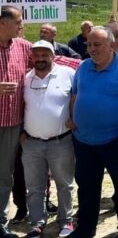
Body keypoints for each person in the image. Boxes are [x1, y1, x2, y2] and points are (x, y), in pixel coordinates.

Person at [68, 26, 118, 238]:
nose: (91, 49)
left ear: (112, 45)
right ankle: (85, 228)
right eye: (88, 44)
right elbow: (75, 94)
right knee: (87, 187)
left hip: (115, 140)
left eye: (97, 44)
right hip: (83, 141)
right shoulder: (83, 67)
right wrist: (72, 118)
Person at [20, 41, 76, 238]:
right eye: (37, 55)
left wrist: (74, 117)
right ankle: (37, 223)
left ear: (53, 55)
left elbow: (77, 96)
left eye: (45, 54)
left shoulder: (68, 73)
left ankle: (66, 221)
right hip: (32, 143)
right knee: (34, 187)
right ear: (32, 57)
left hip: (61, 141)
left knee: (64, 184)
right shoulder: (26, 78)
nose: (41, 58)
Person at [0, 5, 31, 238]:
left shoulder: (23, 46)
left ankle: (0, 222)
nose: (22, 24)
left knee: (4, 174)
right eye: (18, 20)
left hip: (11, 123)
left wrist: (89, 64)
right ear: (3, 22)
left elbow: (48, 60)